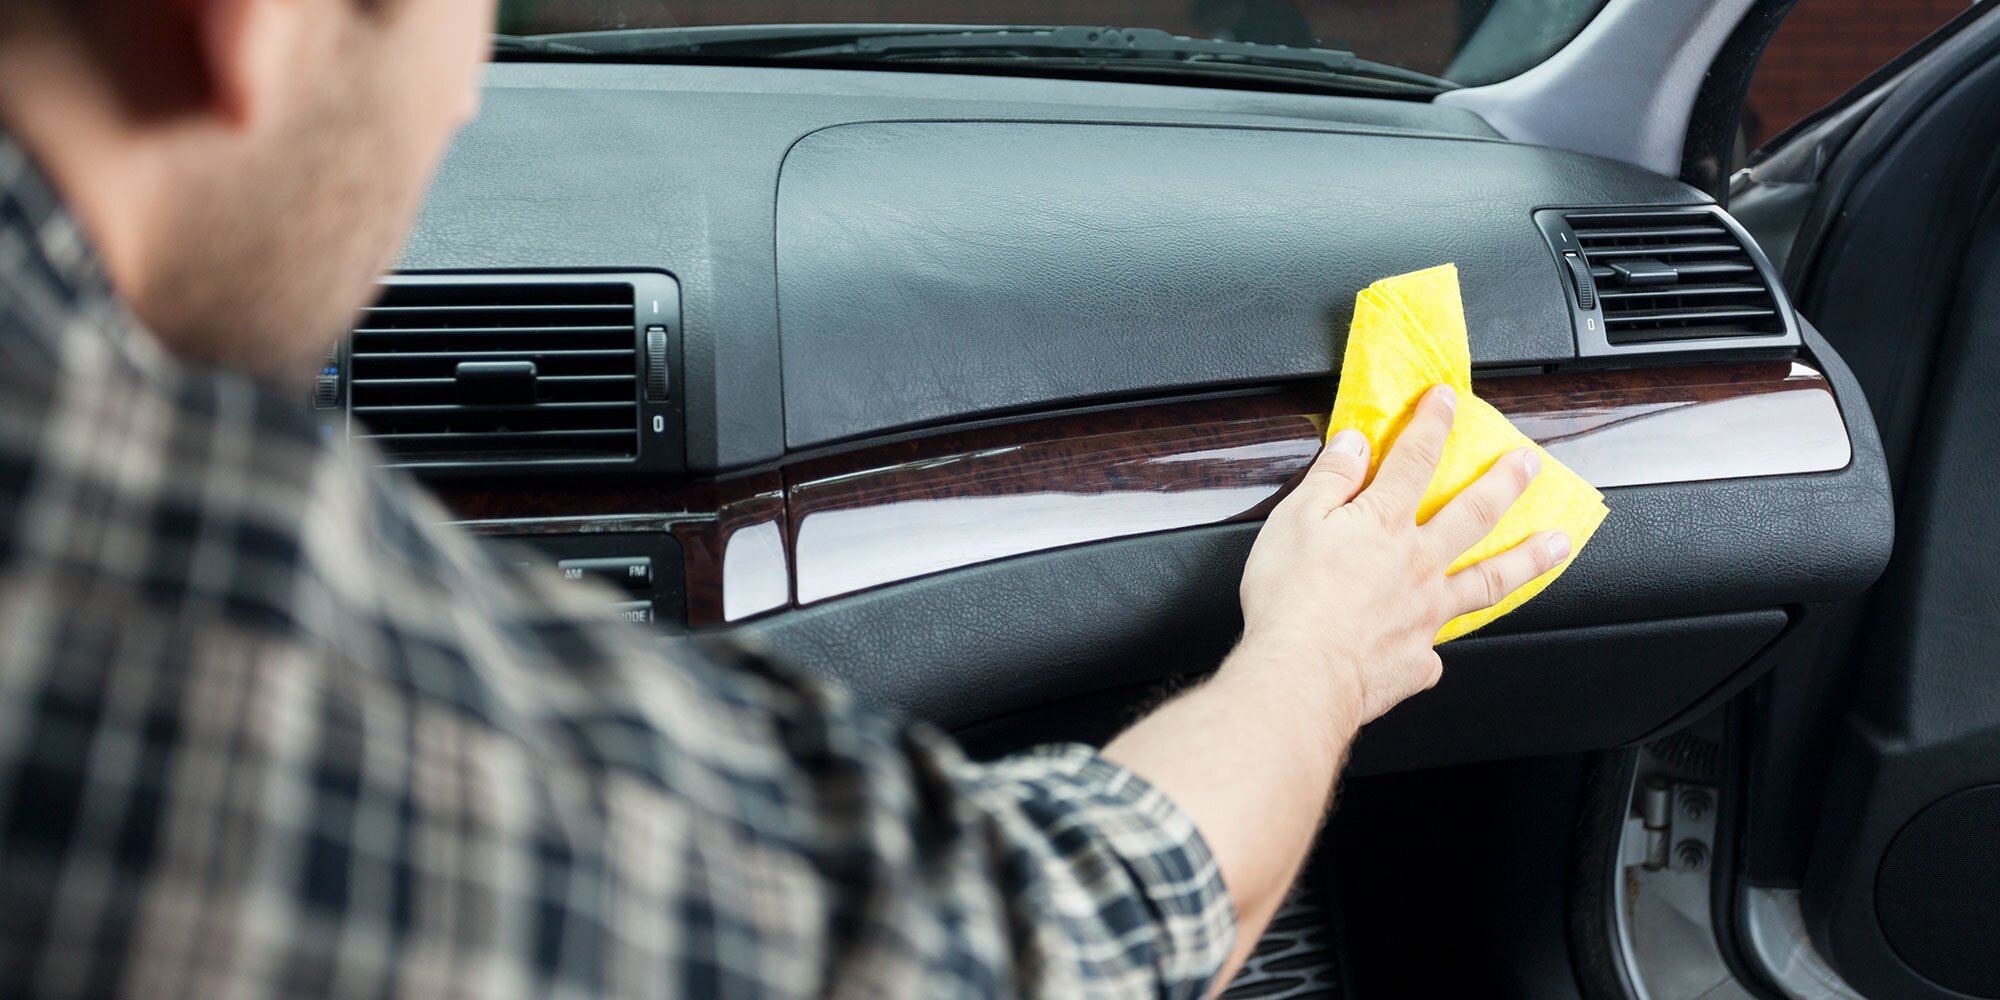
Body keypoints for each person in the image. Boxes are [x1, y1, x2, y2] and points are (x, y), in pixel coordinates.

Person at [0, 0, 1570, 996]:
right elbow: (1071, 941)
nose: (466, 99)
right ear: (244, 23)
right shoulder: (156, 603)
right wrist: (1321, 649)